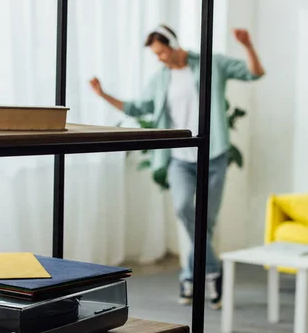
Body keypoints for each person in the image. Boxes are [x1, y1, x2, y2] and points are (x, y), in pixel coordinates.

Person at [89, 24, 265, 310]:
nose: (158, 58)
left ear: (172, 44)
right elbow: (139, 107)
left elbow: (255, 73)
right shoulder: (161, 79)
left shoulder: (211, 64)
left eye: (160, 52)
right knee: (184, 207)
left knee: (205, 220)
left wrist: (247, 46)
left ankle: (190, 277)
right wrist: (104, 95)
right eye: (155, 54)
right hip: (179, 159)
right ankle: (210, 272)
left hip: (214, 155)